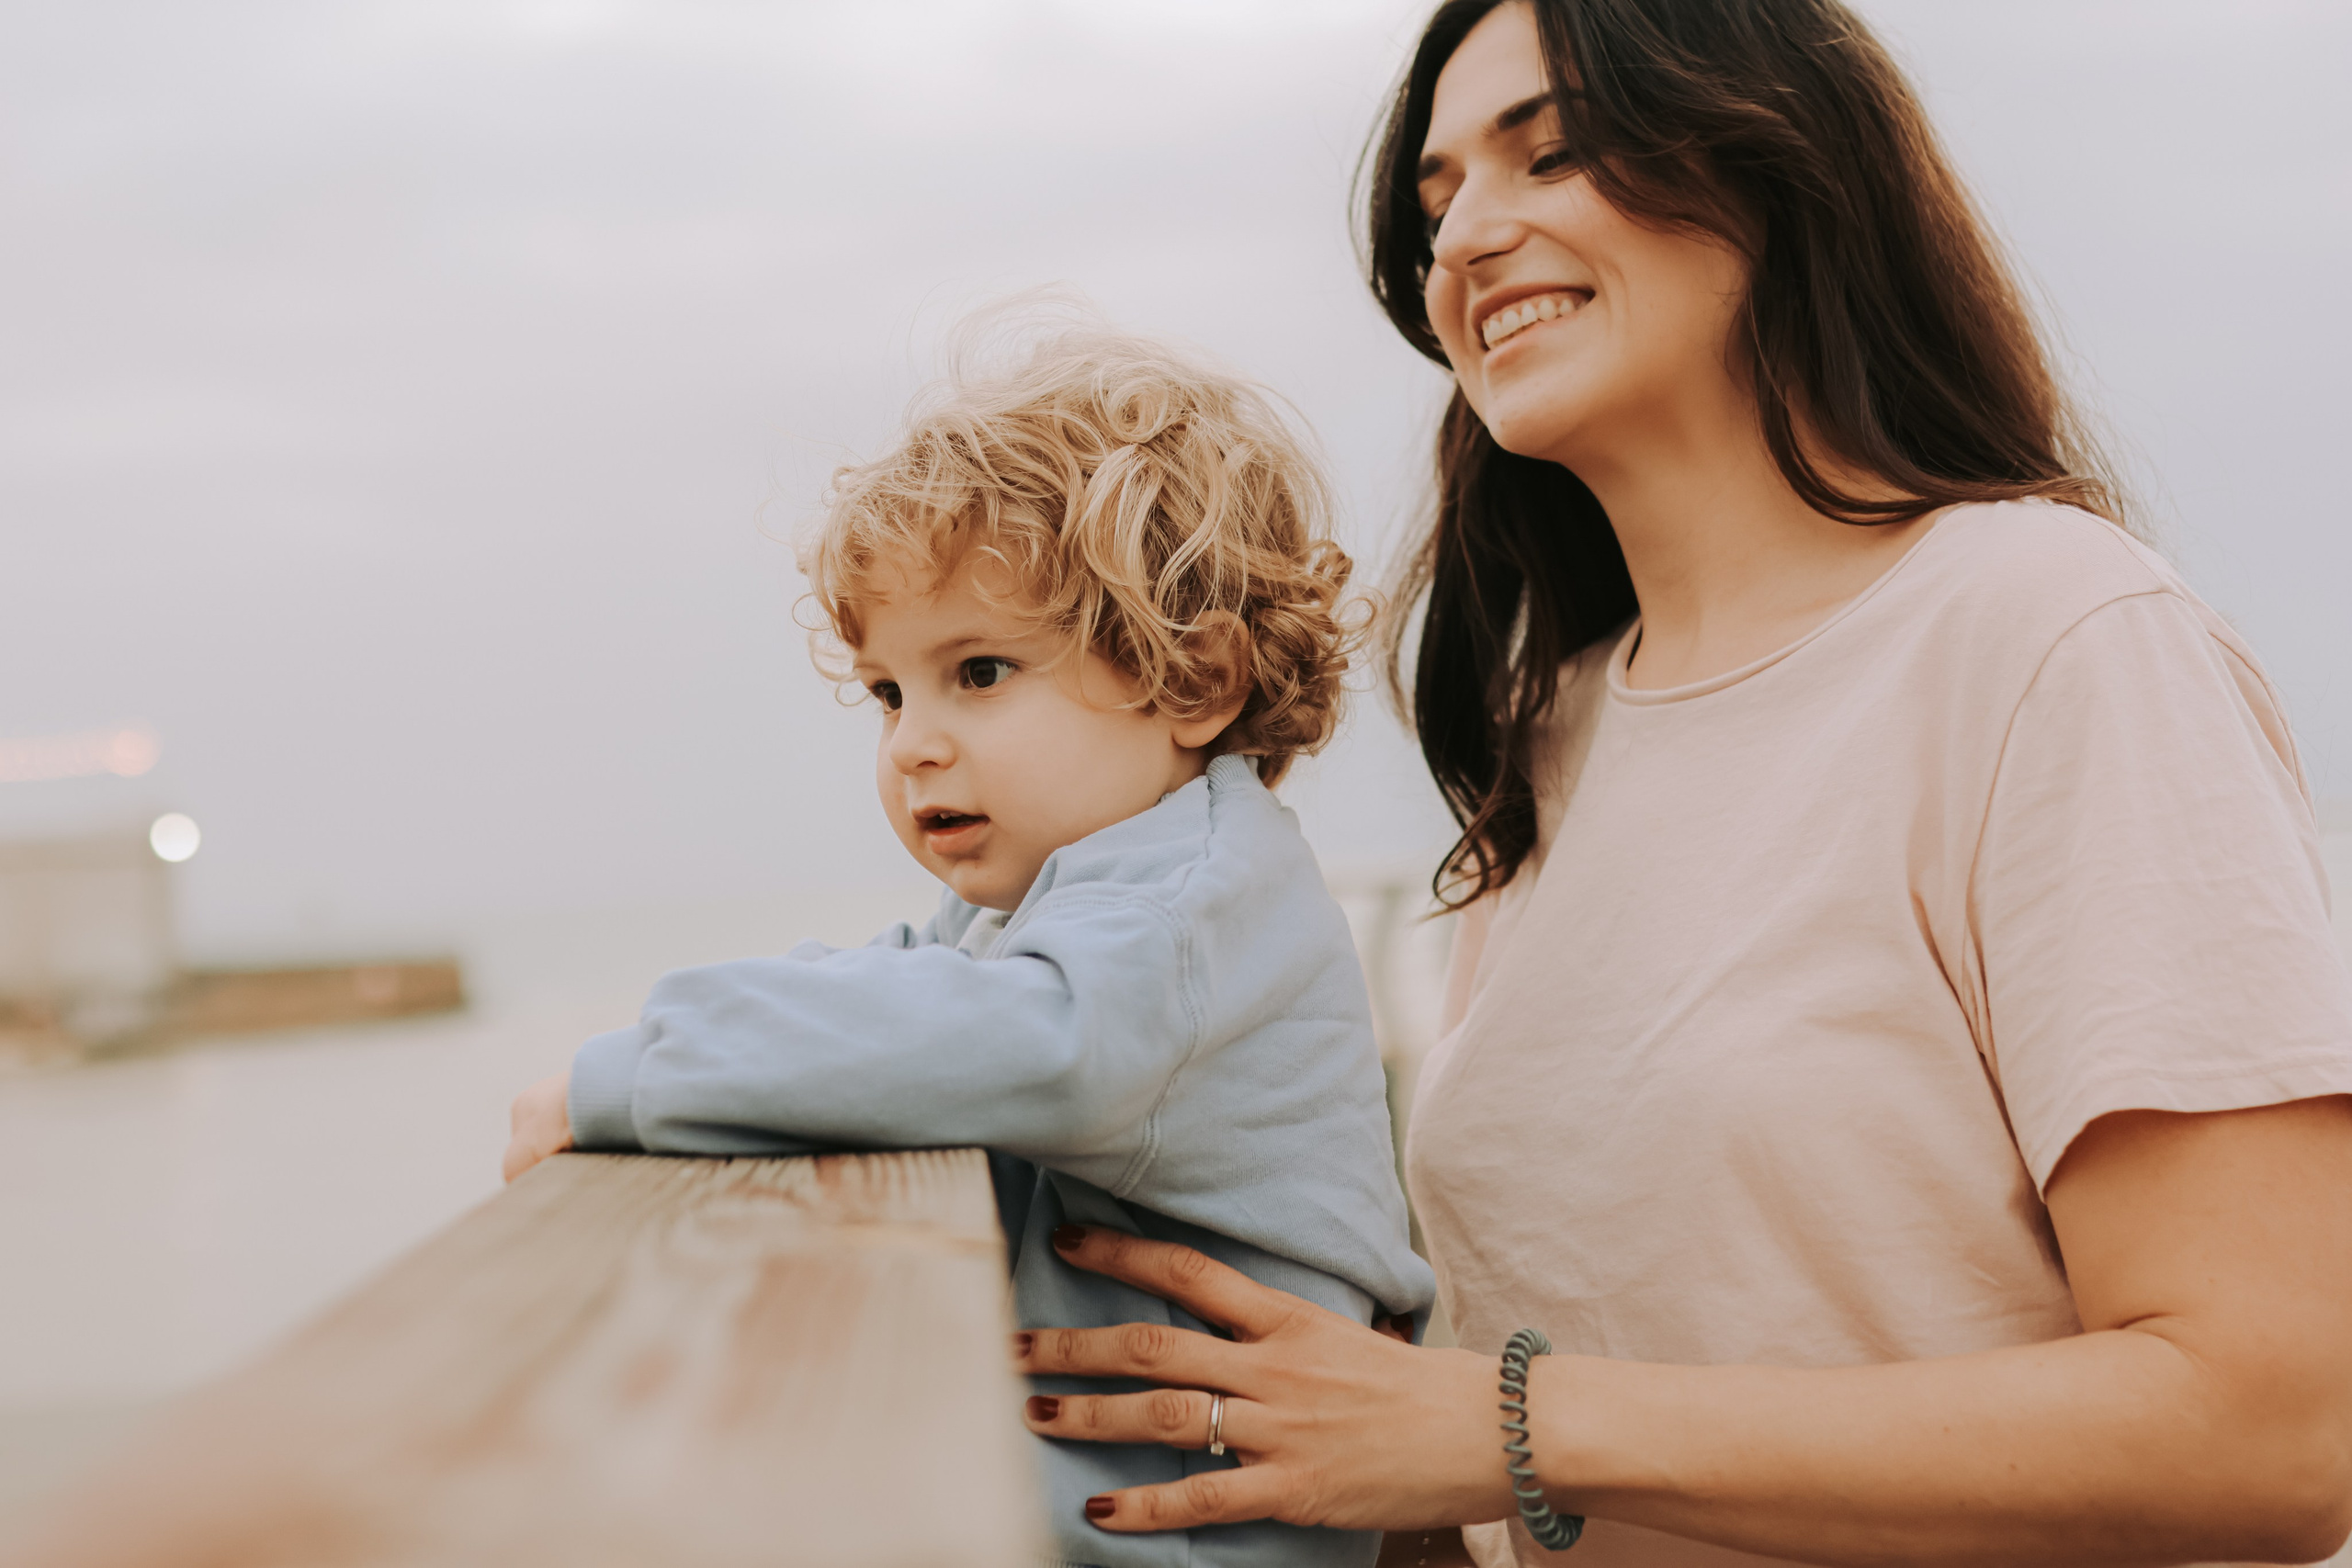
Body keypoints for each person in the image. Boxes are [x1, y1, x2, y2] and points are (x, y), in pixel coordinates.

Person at [1003, 4, 2352, 1565]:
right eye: (1437, 202)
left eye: (1551, 151)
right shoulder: (1556, 731)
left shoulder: (2053, 635)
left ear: (1776, 161)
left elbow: (2274, 1420)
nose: (1468, 242)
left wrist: (1498, 1428)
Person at [499, 324, 1436, 1568]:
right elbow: (905, 987)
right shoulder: (1073, 888)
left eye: (979, 672)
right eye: (890, 692)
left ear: (1194, 684)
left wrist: (632, 1077)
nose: (912, 745)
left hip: (1201, 1537)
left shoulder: (1185, 900)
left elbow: (1026, 1040)